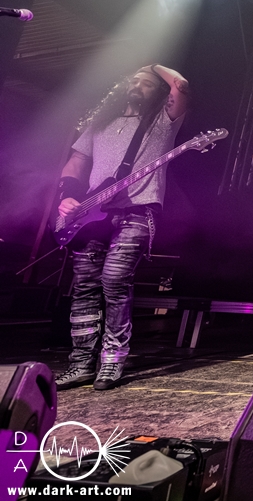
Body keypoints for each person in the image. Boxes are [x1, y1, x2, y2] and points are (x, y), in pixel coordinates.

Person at [53, 65, 190, 390]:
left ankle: (112, 360)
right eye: (134, 80)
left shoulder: (161, 121)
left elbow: (181, 85)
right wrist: (68, 195)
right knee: (84, 287)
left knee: (114, 280)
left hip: (136, 212)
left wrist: (151, 66)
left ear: (158, 92)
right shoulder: (101, 123)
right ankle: (80, 363)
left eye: (147, 83)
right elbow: (76, 162)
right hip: (92, 214)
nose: (138, 84)